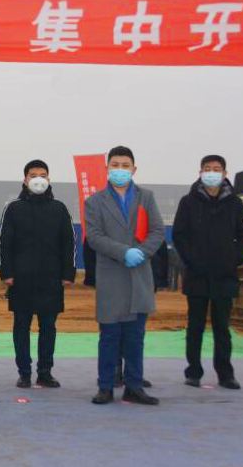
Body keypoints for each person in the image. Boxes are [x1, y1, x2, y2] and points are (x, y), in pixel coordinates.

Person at [85, 146, 164, 406]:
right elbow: (94, 237)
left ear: (134, 169)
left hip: (139, 274)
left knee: (135, 337)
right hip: (111, 276)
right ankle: (105, 387)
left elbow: (157, 231)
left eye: (125, 165)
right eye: (115, 165)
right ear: (107, 169)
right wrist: (123, 252)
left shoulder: (146, 197)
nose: (120, 169)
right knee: (109, 336)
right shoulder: (94, 202)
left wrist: (142, 253)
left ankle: (134, 386)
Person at [173, 154, 243, 390]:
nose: (212, 173)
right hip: (197, 274)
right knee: (194, 326)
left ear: (224, 173)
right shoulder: (188, 202)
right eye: (207, 168)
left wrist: (235, 259)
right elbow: (179, 235)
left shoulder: (235, 203)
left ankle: (225, 374)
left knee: (222, 327)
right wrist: (191, 260)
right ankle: (193, 372)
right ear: (200, 172)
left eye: (216, 169)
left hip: (225, 275)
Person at [0, 160, 75, 389]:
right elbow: (3, 243)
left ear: (49, 179)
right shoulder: (13, 208)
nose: (38, 179)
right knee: (21, 326)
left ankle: (45, 372)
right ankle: (24, 372)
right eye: (33, 175)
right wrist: (6, 273)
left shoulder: (59, 208)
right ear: (25, 179)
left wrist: (68, 273)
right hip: (21, 280)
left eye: (42, 175)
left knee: (48, 327)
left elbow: (69, 243)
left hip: (52, 279)